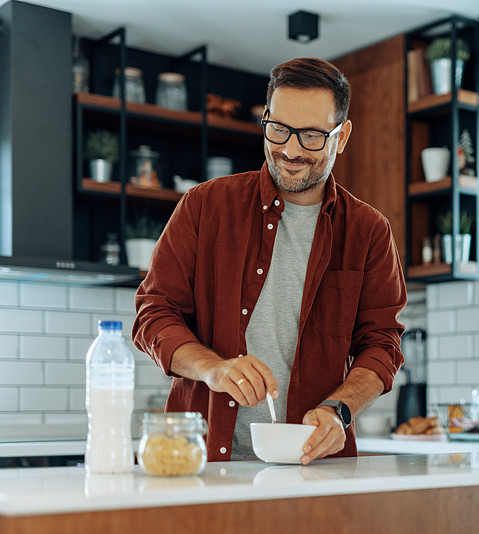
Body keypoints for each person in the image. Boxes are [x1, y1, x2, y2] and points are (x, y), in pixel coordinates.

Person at [132, 57, 407, 464]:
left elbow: (382, 344)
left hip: (315, 469)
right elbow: (153, 315)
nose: (291, 150)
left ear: (342, 135)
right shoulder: (204, 206)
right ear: (265, 118)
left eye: (312, 135)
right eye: (279, 129)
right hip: (201, 462)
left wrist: (341, 408)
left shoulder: (369, 231)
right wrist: (214, 369)